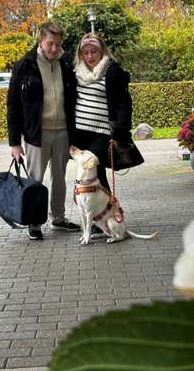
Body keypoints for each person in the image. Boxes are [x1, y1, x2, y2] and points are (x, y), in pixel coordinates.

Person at [8, 21, 81, 240]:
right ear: (40, 41)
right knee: (35, 179)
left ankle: (58, 217)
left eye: (58, 44)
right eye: (50, 43)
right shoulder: (25, 65)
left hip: (62, 131)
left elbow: (74, 98)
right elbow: (13, 104)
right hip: (36, 134)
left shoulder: (66, 63)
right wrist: (14, 143)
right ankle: (34, 221)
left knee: (59, 178)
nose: (54, 49)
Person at [72, 33, 134, 193]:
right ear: (81, 55)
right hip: (79, 133)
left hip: (102, 132)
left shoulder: (112, 71)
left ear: (102, 51)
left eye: (94, 51)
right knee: (89, 173)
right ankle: (99, 210)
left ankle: (110, 207)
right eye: (85, 53)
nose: (90, 56)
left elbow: (124, 102)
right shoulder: (75, 73)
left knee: (96, 170)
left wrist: (121, 129)